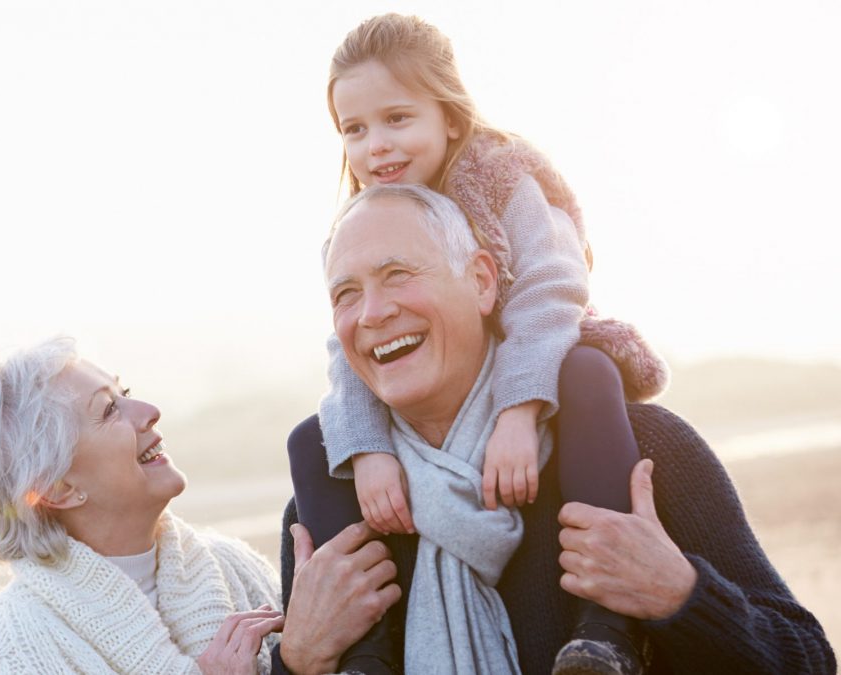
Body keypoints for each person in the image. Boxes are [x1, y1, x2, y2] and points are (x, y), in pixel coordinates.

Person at [283, 185, 835, 674]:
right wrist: (299, 661)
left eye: (397, 274)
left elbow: (808, 660)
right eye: (345, 294)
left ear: (481, 280)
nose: (373, 312)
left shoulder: (641, 450)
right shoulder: (331, 507)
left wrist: (680, 595)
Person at [303, 12, 667, 673]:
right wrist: (370, 450)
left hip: (538, 356)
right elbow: (348, 348)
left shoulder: (501, 176)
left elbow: (551, 291)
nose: (375, 145)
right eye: (354, 130)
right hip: (434, 394)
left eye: (396, 119)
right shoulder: (358, 223)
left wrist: (517, 411)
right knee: (313, 439)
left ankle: (606, 630)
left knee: (588, 372)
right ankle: (365, 652)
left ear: (448, 114)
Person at [0, 337, 401, 674]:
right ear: (56, 489)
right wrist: (296, 660)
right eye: (108, 410)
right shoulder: (11, 648)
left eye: (127, 394)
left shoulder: (231, 565)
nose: (148, 411)